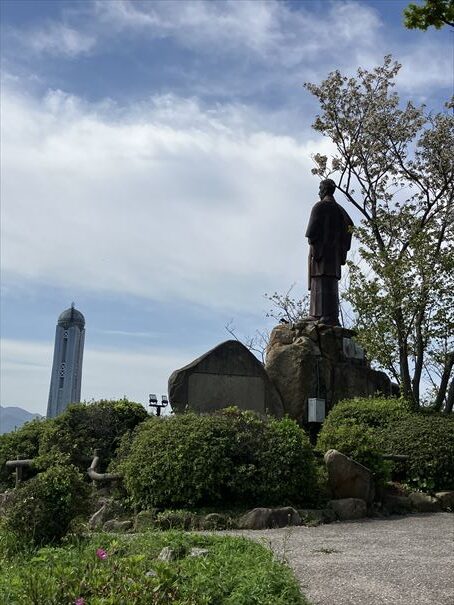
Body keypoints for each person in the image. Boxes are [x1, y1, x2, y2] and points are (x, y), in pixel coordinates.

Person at [305, 179, 353, 325]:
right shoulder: (340, 210)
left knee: (319, 282)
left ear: (325, 190)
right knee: (330, 283)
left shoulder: (319, 207)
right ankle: (331, 316)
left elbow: (311, 232)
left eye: (320, 188)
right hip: (334, 256)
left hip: (321, 254)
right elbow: (350, 226)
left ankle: (318, 315)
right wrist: (342, 248)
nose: (319, 191)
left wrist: (316, 243)